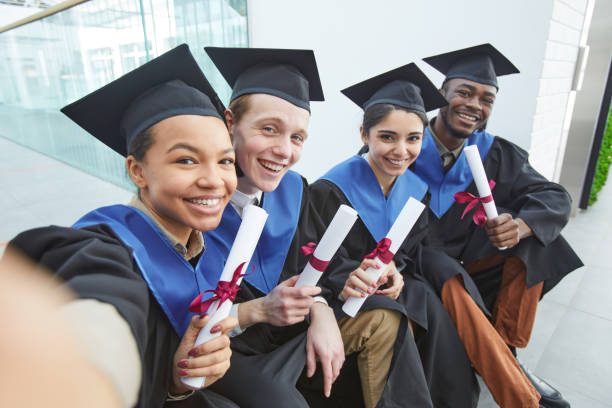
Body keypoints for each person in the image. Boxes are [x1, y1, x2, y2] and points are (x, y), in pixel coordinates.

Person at [5, 44, 240, 408]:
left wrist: (178, 381)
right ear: (137, 170)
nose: (214, 180)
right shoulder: (104, 246)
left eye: (226, 160)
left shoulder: (203, 243)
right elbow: (98, 297)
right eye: (187, 159)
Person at [198, 47, 404, 408]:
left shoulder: (293, 190)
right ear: (230, 123)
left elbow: (320, 265)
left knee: (387, 317)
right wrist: (261, 309)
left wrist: (322, 308)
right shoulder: (196, 210)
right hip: (229, 351)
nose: (283, 151)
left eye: (297, 138)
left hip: (290, 332)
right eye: (268, 129)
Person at [412, 43, 583, 408]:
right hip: (417, 268)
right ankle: (510, 379)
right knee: (440, 267)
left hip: (469, 268)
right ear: (442, 93)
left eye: (486, 98)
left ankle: (506, 350)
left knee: (539, 240)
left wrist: (520, 226)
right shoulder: (405, 145)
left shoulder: (497, 153)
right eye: (464, 92)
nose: (475, 104)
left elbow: (555, 197)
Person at [309, 63, 483, 408]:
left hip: (384, 288)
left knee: (429, 300)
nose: (401, 150)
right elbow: (313, 256)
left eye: (413, 138)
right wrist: (352, 276)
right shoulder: (330, 189)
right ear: (364, 135)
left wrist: (397, 272)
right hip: (338, 297)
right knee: (419, 304)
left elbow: (410, 251)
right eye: (387, 137)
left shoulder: (416, 190)